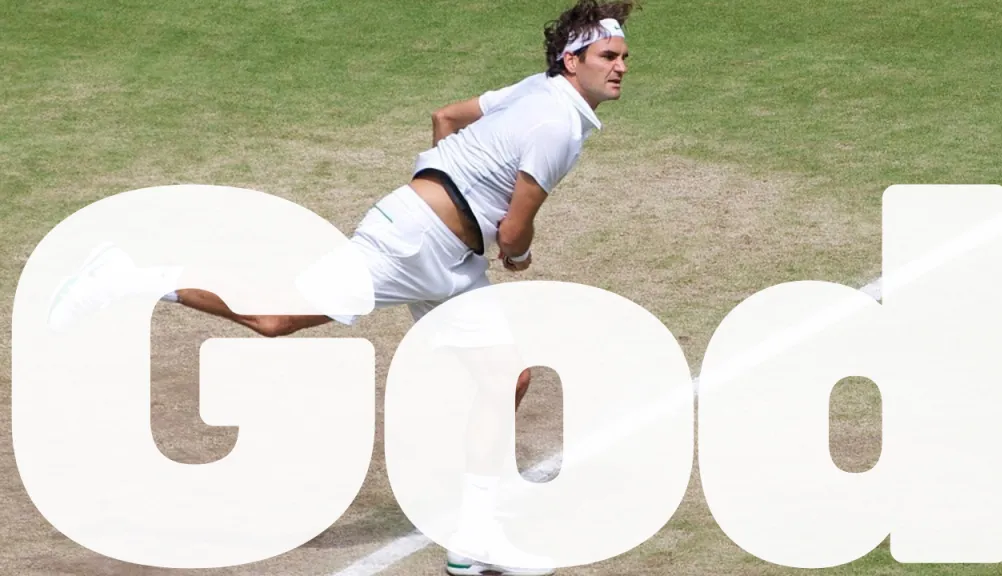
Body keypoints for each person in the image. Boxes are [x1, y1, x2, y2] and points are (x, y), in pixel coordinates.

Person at [46, 0, 635, 573]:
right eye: (608, 55)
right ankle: (124, 278)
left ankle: (474, 539)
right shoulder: (556, 123)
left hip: (448, 256)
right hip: (410, 245)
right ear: (571, 60)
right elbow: (513, 231)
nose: (620, 67)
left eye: (624, 57)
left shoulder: (536, 89)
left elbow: (446, 119)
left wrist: (438, 181)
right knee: (272, 320)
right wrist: (508, 246)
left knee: (508, 377)